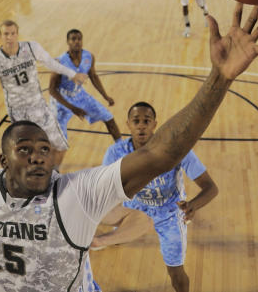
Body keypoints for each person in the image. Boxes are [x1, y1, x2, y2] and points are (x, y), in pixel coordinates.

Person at [0, 4, 258, 292]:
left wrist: (219, 79)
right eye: (25, 147)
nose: (38, 154)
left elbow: (161, 154)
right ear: (0, 160)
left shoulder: (76, 195)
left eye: (44, 149)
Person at [91, 101, 218, 292]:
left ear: (155, 124)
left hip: (169, 212)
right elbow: (103, 189)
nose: (141, 125)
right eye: (136, 121)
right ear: (128, 124)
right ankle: (115, 237)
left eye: (146, 120)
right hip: (133, 206)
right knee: (93, 207)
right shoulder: (115, 152)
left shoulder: (176, 149)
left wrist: (193, 205)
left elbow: (211, 188)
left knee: (176, 273)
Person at [0, 20, 88, 166]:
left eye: (13, 33)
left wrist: (72, 74)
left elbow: (50, 63)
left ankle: (54, 175)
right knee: (28, 154)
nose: (10, 37)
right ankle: (34, 182)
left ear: (17, 34)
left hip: (39, 107)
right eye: (6, 34)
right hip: (18, 114)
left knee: (60, 146)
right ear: (0, 36)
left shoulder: (31, 48)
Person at [48, 29, 122, 144]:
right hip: (61, 100)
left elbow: (93, 76)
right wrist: (72, 108)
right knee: (59, 139)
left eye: (79, 39)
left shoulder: (89, 57)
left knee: (109, 118)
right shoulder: (59, 62)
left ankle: (121, 147)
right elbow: (52, 90)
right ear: (68, 42)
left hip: (79, 95)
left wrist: (105, 96)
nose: (77, 41)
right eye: (73, 39)